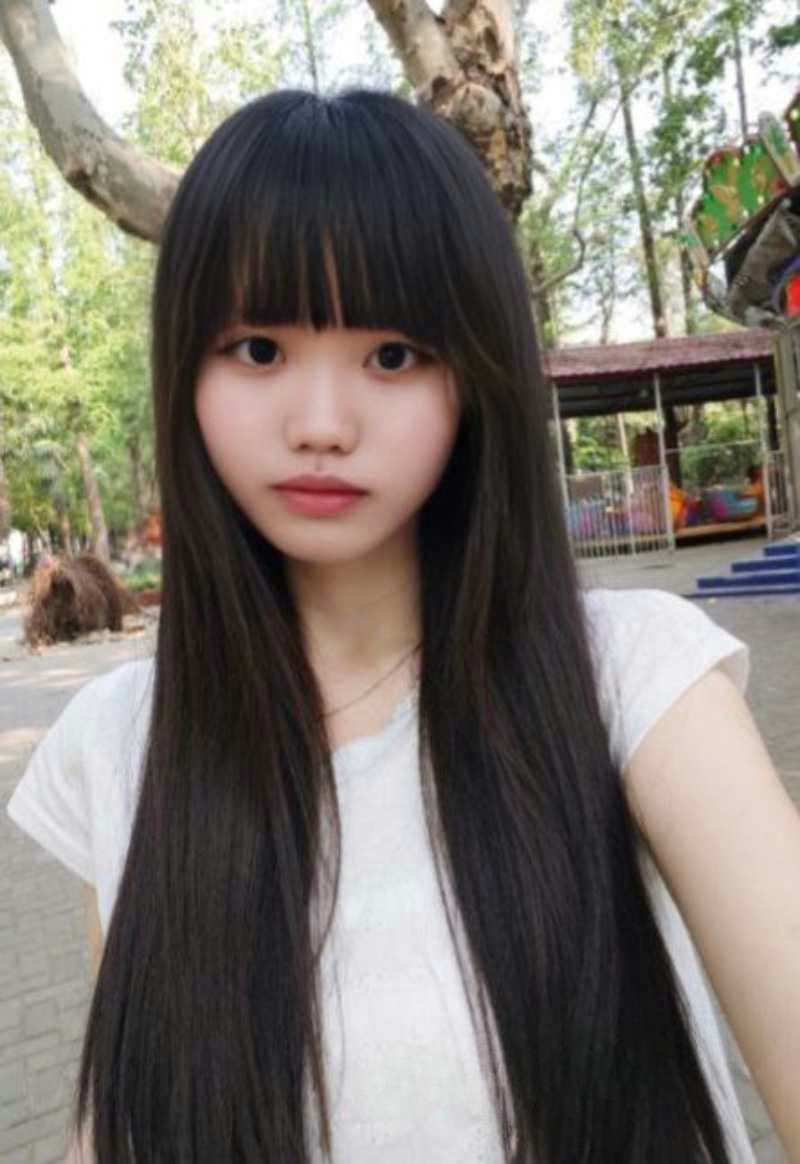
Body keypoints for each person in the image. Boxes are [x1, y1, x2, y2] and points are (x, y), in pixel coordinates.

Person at [6, 89, 800, 1164]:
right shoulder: (119, 744)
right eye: (257, 348)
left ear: (474, 378)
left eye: (391, 356)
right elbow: (119, 1126)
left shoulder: (638, 685)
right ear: (183, 368)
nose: (321, 426)